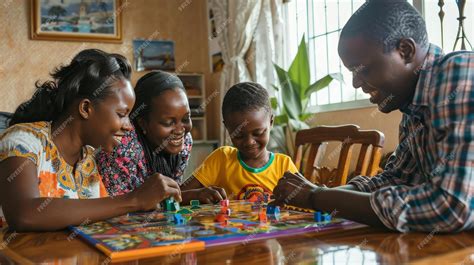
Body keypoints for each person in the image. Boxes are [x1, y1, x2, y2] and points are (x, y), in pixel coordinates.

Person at [272, 0, 474, 232]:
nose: (356, 82)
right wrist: (319, 193)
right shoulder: (413, 106)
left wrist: (316, 197)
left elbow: (451, 207)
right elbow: (396, 178)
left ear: (405, 51)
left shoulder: (461, 76)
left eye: (363, 69)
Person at [0, 49, 181, 232]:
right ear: (86, 108)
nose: (129, 126)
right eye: (121, 114)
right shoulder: (23, 141)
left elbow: (97, 218)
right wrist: (134, 200)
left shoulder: (87, 160)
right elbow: (24, 214)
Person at [182, 82, 298, 203]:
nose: (249, 142)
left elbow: (303, 202)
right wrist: (196, 194)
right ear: (227, 127)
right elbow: (177, 195)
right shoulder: (222, 159)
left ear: (271, 122)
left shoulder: (284, 165)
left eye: (258, 133)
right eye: (239, 135)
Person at [96, 70, 193, 196]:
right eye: (168, 122)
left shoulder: (185, 141)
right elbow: (118, 206)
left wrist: (190, 195)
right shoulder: (121, 148)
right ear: (143, 123)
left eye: (186, 119)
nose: (180, 130)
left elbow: (169, 197)